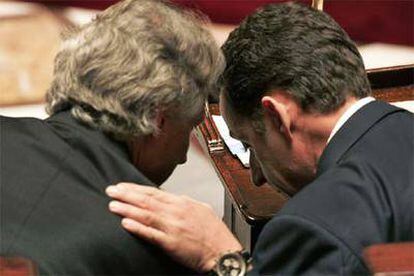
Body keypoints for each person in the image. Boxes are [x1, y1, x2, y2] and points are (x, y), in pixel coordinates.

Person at [105, 2, 414, 275]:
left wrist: (224, 258)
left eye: (250, 145)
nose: (255, 176)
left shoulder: (312, 225)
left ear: (277, 117)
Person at [0, 0, 224, 275]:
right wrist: (223, 257)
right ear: (158, 119)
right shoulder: (154, 245)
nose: (182, 156)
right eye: (189, 127)